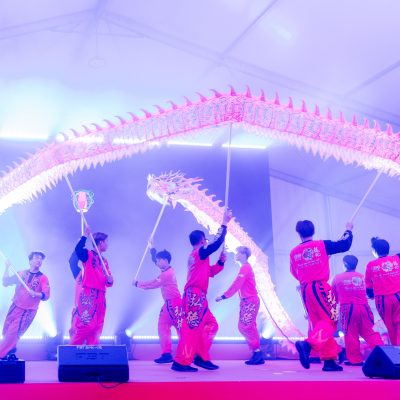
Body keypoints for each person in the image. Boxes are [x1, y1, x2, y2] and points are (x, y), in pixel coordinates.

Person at [171, 209, 232, 372]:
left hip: (198, 296)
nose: (207, 242)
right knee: (191, 328)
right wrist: (224, 223)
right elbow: (216, 244)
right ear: (202, 240)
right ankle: (181, 361)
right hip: (194, 296)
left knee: (211, 325)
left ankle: (201, 356)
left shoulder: (198, 256)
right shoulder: (198, 253)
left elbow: (210, 272)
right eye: (206, 240)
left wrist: (221, 262)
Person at [290, 220, 353, 372]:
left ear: (298, 233)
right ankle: (308, 345)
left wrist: (308, 275)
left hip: (306, 290)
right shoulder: (321, 245)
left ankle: (329, 360)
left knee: (319, 324)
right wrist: (348, 230)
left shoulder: (294, 252)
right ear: (313, 230)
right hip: (321, 288)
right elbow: (344, 245)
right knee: (330, 320)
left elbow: (294, 272)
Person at [133, 243, 182, 363]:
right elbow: (154, 260)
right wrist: (151, 248)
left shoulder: (167, 274)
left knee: (181, 329)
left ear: (165, 260)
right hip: (169, 304)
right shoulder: (166, 269)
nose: (157, 262)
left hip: (175, 304)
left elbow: (153, 284)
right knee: (163, 327)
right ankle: (167, 354)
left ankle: (187, 353)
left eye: (159, 260)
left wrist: (137, 284)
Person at [216, 246, 264, 365]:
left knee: (245, 327)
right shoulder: (245, 267)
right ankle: (257, 353)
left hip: (250, 301)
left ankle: (257, 352)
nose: (236, 254)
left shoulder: (245, 267)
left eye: (238, 253)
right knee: (249, 326)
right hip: (247, 302)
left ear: (244, 255)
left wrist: (224, 296)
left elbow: (237, 284)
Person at [331, 255, 383, 366]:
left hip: (347, 309)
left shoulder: (337, 278)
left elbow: (333, 298)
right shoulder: (363, 277)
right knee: (370, 332)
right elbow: (371, 293)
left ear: (344, 264)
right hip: (364, 307)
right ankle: (384, 355)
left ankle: (355, 360)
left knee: (350, 334)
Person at [0, 252, 50, 358]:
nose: (39, 260)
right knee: (6, 331)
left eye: (41, 259)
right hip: (15, 306)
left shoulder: (43, 278)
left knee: (12, 334)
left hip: (28, 311)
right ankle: (10, 351)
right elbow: (5, 282)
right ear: (30, 261)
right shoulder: (21, 274)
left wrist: (35, 293)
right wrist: (7, 267)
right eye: (36, 258)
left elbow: (46, 295)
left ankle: (1, 354)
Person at [70, 226, 114, 345]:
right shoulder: (88, 255)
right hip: (89, 293)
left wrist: (110, 280)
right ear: (101, 243)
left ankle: (92, 351)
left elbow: (108, 282)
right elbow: (78, 250)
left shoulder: (104, 261)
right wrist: (85, 235)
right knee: (87, 324)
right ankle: (72, 350)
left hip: (101, 295)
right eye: (106, 241)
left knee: (98, 326)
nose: (108, 244)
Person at [365, 237, 400, 345]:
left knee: (390, 326)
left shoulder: (371, 265)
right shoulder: (397, 258)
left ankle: (396, 350)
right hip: (398, 296)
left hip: (383, 300)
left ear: (374, 251)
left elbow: (368, 287)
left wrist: (370, 295)